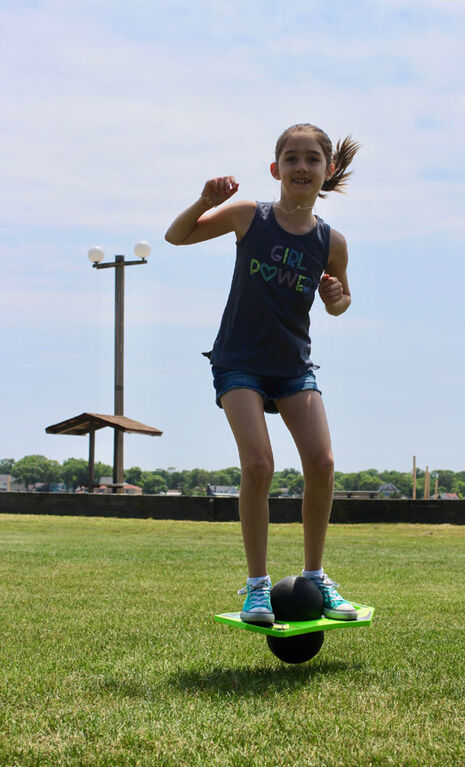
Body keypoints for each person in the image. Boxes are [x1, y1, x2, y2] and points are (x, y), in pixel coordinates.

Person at [165, 123, 360, 624]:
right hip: (239, 361)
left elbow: (339, 301)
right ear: (276, 170)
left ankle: (316, 577)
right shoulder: (250, 216)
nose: (301, 167)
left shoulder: (331, 241)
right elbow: (176, 236)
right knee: (258, 465)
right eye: (291, 158)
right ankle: (257, 587)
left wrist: (337, 299)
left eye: (312, 159)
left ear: (327, 170)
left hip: (293, 366)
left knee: (322, 464)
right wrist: (203, 199)